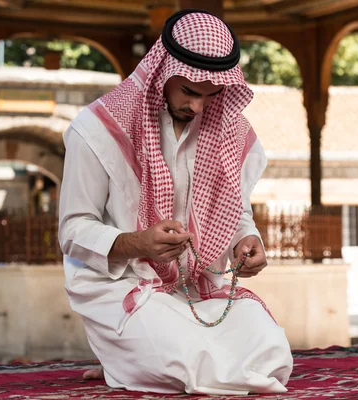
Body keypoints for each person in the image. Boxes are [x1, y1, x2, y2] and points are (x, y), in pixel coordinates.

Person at [58, 10, 292, 395]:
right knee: (186, 363)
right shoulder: (98, 130)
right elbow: (73, 230)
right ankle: (132, 355)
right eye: (188, 92)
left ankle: (133, 359)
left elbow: (234, 208)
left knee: (272, 352)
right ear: (163, 73)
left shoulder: (226, 129)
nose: (198, 108)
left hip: (198, 289)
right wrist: (137, 243)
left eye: (210, 96)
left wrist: (246, 240)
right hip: (127, 286)